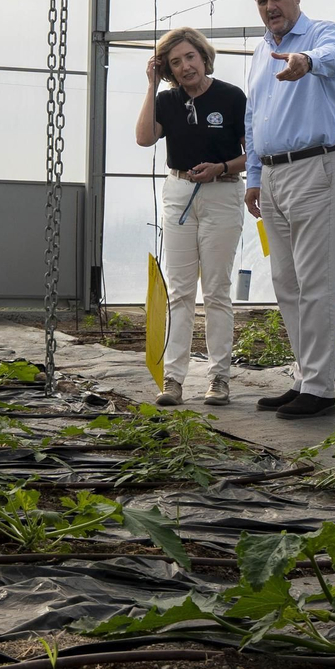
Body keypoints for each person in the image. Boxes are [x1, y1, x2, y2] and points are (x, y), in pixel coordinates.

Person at [243, 0, 335, 419]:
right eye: (261, 2)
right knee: (287, 283)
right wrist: (253, 177)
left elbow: (334, 55)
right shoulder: (259, 51)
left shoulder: (322, 33)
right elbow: (254, 120)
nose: (270, 7)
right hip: (273, 174)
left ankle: (320, 389)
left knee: (317, 282)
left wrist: (305, 61)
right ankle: (306, 375)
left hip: (318, 166)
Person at [136, 27, 247, 407]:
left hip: (223, 192)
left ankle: (219, 378)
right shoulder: (167, 101)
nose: (185, 67)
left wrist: (222, 167)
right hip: (180, 192)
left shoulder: (231, 97)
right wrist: (152, 87)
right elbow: (144, 138)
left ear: (203, 56)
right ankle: (174, 380)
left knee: (216, 290)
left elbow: (255, 151)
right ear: (167, 68)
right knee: (180, 291)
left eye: (190, 57)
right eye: (175, 62)